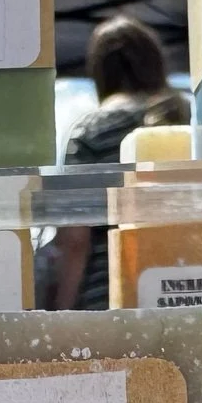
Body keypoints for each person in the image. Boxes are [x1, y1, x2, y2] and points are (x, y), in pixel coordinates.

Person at [48, 16, 189, 309]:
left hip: (109, 295)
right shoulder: (183, 121)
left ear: (100, 70)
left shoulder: (90, 131)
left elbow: (75, 239)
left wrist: (62, 312)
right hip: (179, 288)